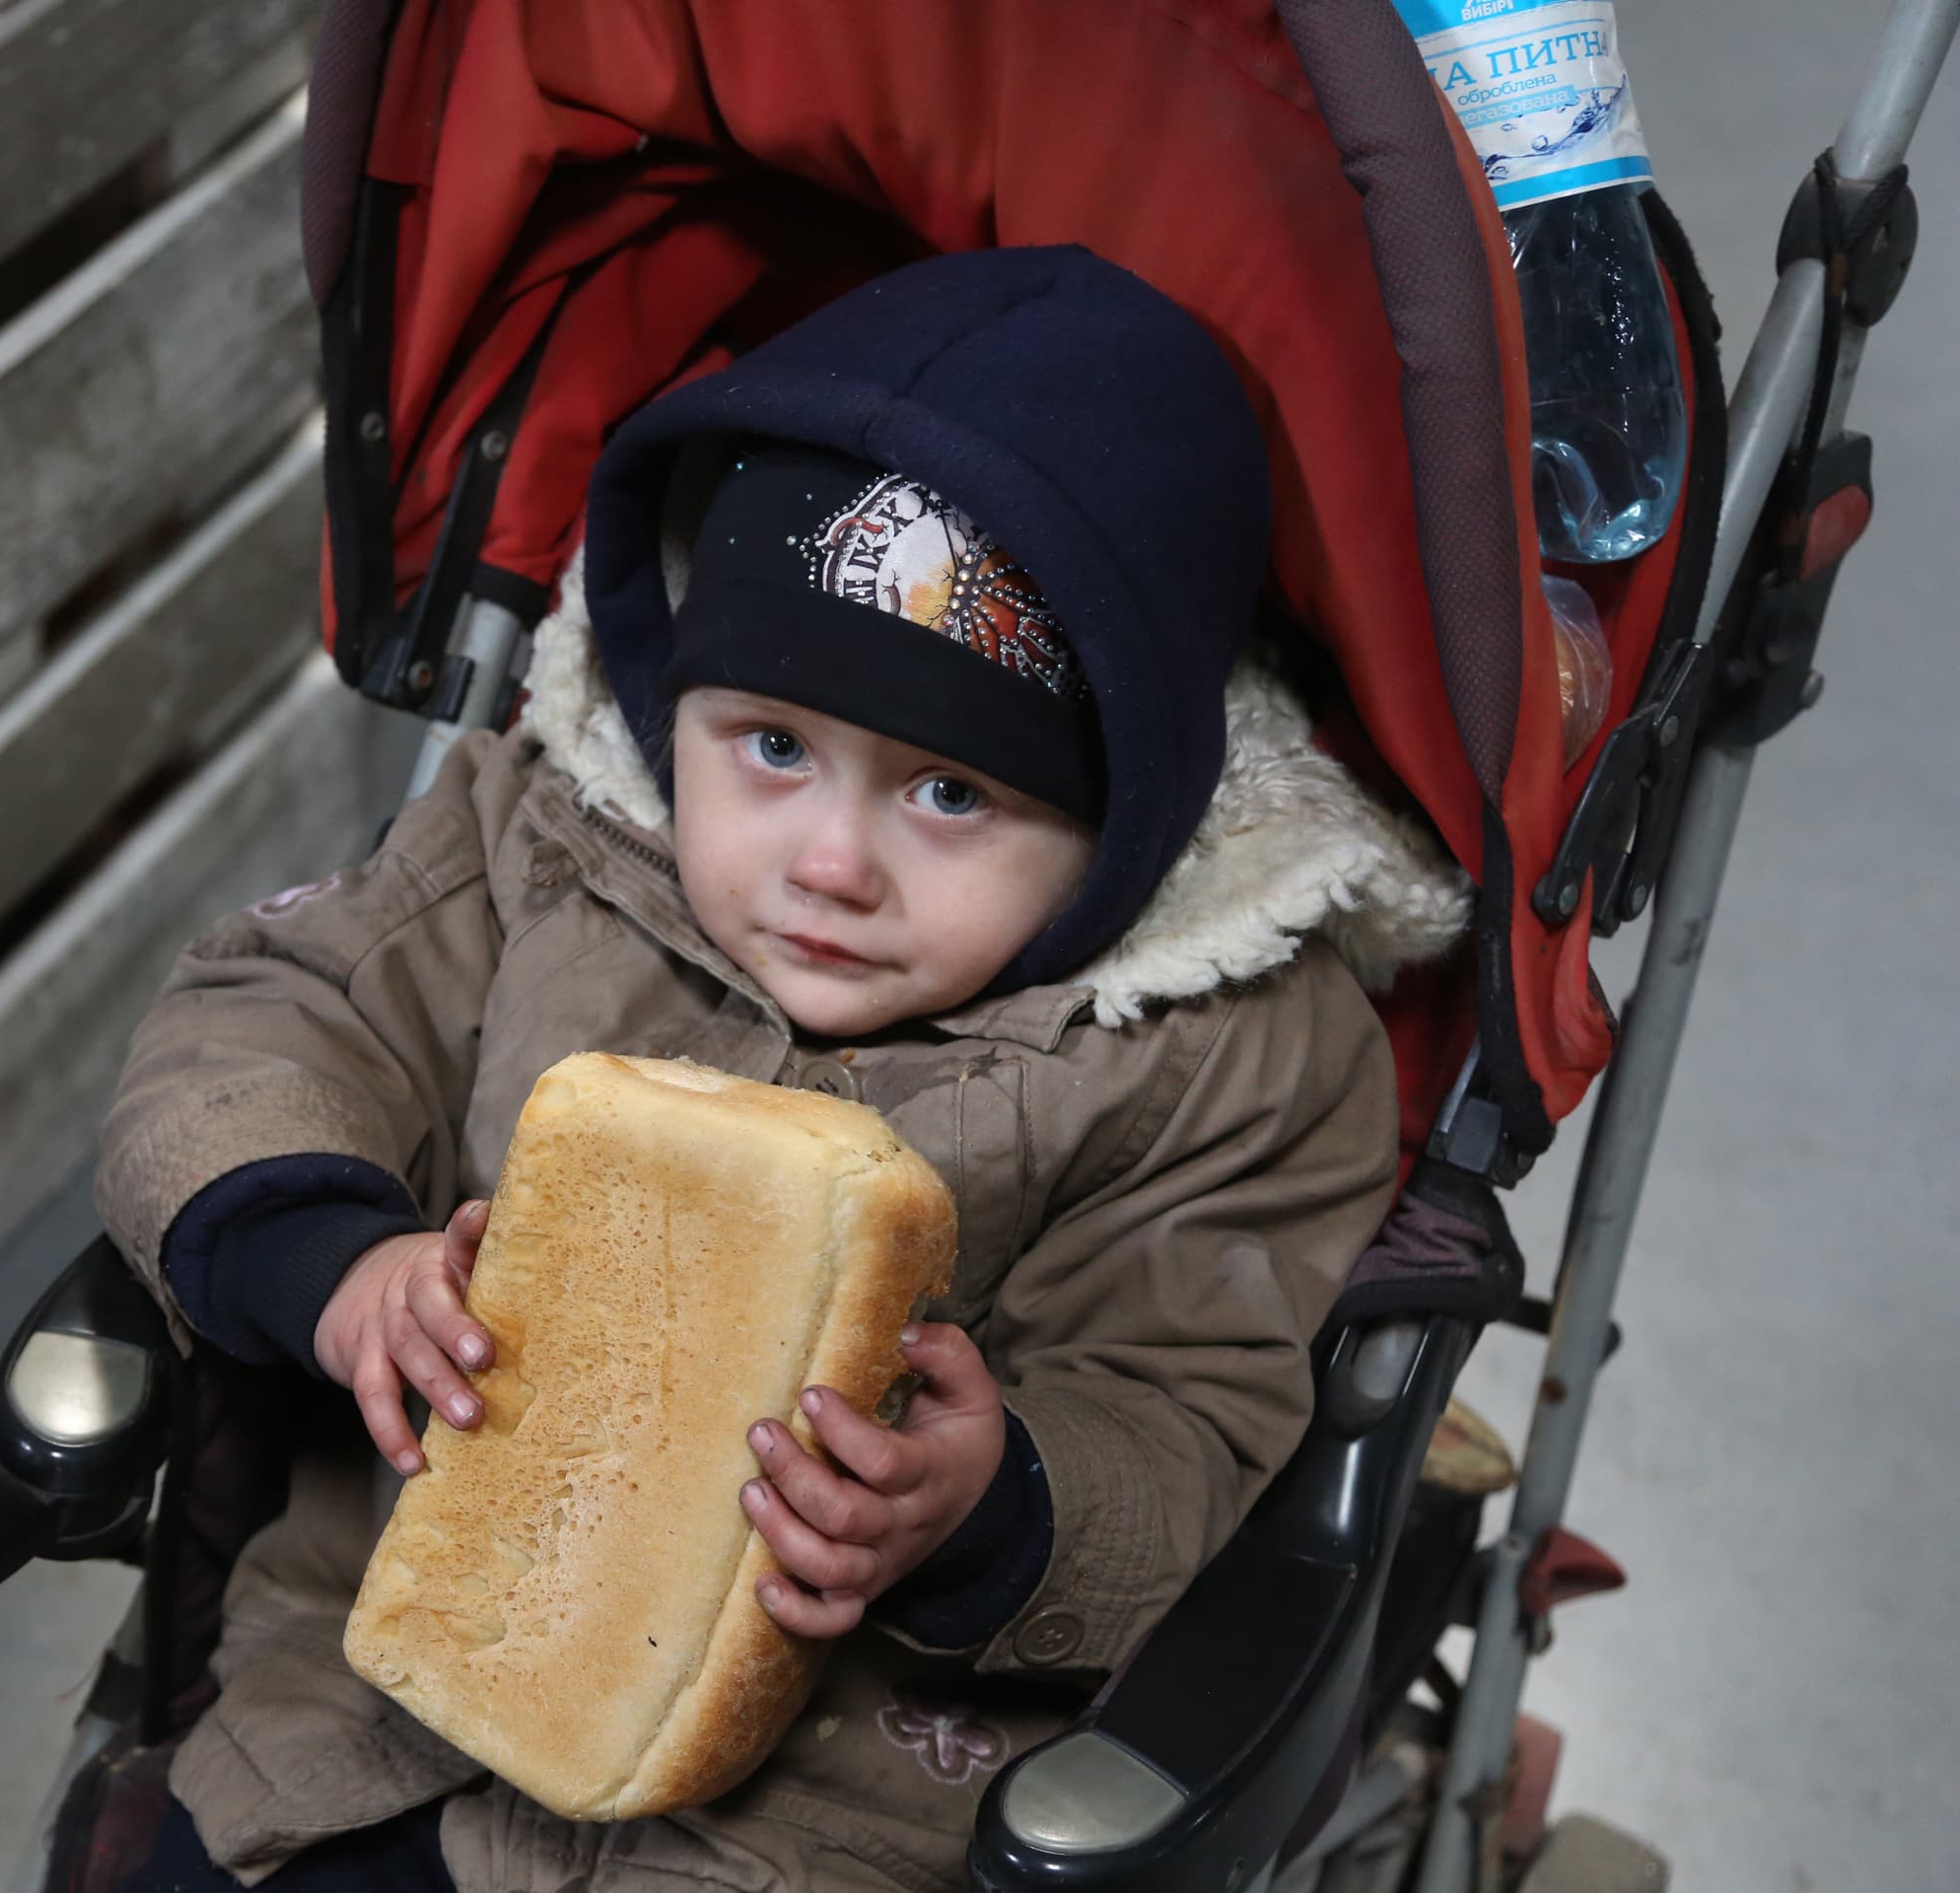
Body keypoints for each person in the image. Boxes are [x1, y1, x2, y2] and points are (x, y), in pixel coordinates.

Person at [92, 246, 1470, 1893]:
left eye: (950, 795)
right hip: (365, 1711)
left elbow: (1191, 1414)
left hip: (827, 1812)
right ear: (677, 703)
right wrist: (326, 1256)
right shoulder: (545, 844)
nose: (829, 862)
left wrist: (988, 1506)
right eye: (771, 748)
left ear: (1132, 821)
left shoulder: (1221, 1054)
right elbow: (275, 1010)